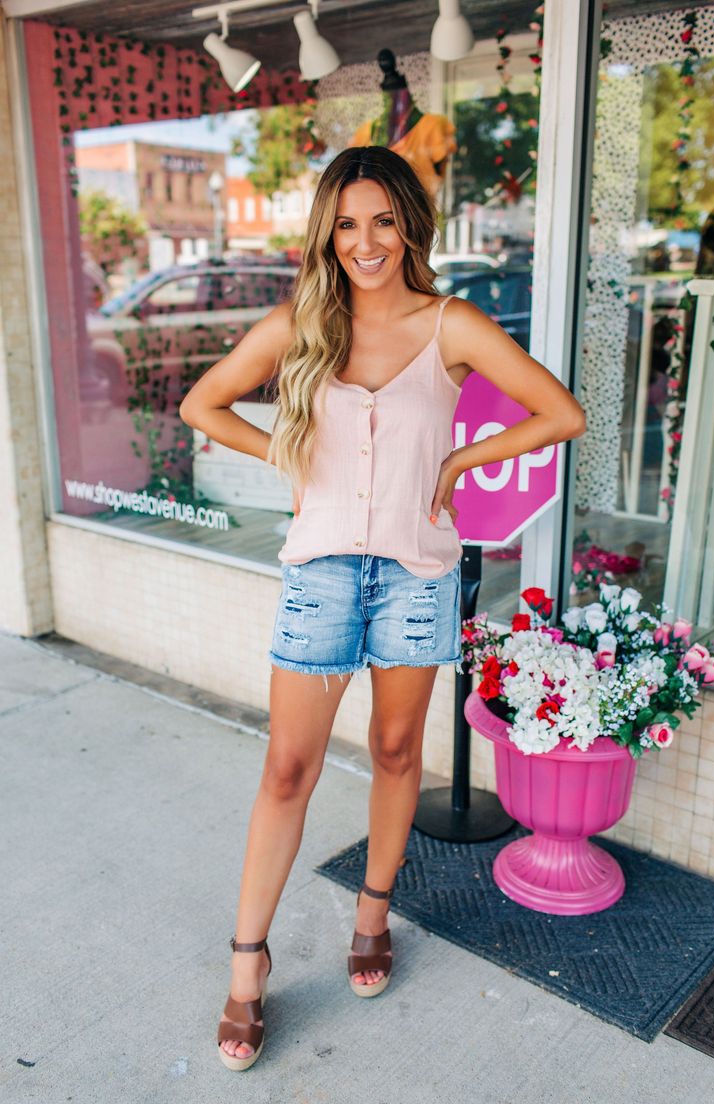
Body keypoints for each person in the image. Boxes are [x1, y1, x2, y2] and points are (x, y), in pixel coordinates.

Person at [178, 145, 586, 1072]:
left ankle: (372, 917)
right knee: (288, 769)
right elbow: (206, 404)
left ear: (409, 226)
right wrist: (286, 455)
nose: (365, 242)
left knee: (398, 751)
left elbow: (560, 414)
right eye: (348, 223)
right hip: (320, 573)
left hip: (415, 575)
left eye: (383, 221)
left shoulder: (451, 324)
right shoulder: (301, 322)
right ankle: (248, 966)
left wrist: (454, 463)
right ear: (329, 231)